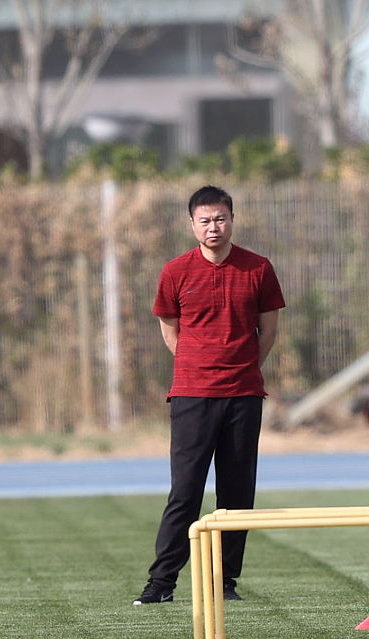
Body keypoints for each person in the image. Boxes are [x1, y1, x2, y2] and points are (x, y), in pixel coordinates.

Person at [134, 185, 284, 606]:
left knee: (237, 493)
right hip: (192, 396)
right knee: (185, 492)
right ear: (192, 225)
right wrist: (198, 364)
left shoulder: (258, 268)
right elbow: (169, 329)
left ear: (232, 219)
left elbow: (268, 330)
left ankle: (225, 582)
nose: (213, 227)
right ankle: (161, 583)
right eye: (205, 220)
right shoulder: (175, 271)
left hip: (244, 393)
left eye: (220, 218)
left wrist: (243, 365)